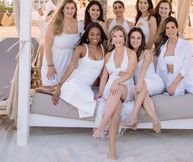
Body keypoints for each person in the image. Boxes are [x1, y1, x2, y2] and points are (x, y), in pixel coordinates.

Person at [93, 25, 137, 160]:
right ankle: (112, 150)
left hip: (125, 86)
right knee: (116, 109)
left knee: (117, 90)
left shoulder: (131, 53)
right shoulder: (108, 55)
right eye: (115, 36)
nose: (118, 39)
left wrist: (117, 81)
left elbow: (129, 74)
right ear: (111, 39)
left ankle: (102, 125)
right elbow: (104, 76)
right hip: (111, 89)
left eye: (120, 36)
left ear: (124, 38)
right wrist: (100, 92)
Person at [52, 22, 107, 118]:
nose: (95, 37)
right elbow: (71, 66)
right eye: (92, 34)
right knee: (74, 91)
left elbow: (103, 75)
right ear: (87, 35)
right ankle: (52, 89)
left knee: (89, 96)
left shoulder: (103, 49)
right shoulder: (81, 48)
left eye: (98, 34)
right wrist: (59, 85)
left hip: (86, 86)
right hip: (75, 81)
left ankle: (50, 89)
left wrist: (102, 91)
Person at [123, 27, 164, 133]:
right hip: (141, 86)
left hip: (153, 81)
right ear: (129, 39)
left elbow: (144, 69)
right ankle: (155, 120)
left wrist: (140, 82)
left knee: (141, 87)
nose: (135, 40)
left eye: (138, 38)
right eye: (132, 38)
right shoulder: (128, 54)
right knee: (143, 93)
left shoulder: (147, 52)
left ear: (142, 40)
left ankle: (133, 118)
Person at [40, 0, 82, 92]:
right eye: (67, 8)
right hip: (53, 63)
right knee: (49, 91)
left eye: (72, 8)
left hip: (69, 65)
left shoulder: (79, 25)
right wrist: (50, 66)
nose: (70, 10)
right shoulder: (55, 24)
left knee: (65, 93)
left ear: (75, 10)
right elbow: (47, 46)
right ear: (62, 9)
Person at [154, 16, 193, 97]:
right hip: (169, 79)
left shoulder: (186, 45)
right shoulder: (162, 48)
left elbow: (185, 68)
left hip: (185, 78)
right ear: (165, 31)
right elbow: (159, 69)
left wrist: (174, 84)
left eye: (173, 27)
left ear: (177, 29)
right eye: (167, 28)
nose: (170, 30)